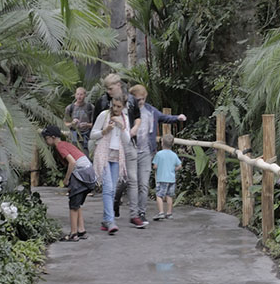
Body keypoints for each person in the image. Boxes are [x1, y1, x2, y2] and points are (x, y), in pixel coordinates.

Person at [127, 84, 186, 224]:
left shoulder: (151, 111)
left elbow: (165, 117)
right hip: (130, 150)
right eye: (138, 99)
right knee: (128, 182)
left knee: (143, 184)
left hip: (146, 152)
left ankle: (139, 212)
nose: (140, 102)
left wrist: (178, 118)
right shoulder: (128, 111)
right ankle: (118, 202)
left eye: (142, 99)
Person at [41, 124, 95, 240]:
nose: (46, 141)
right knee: (77, 203)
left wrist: (66, 179)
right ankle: (81, 230)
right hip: (89, 171)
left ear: (53, 137)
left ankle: (73, 233)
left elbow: (72, 162)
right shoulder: (66, 144)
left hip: (81, 172)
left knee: (73, 205)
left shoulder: (60, 146)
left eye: (46, 138)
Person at [89, 95, 134, 233]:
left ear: (124, 107)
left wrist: (120, 127)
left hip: (117, 156)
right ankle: (110, 221)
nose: (115, 109)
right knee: (108, 188)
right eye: (113, 105)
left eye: (118, 106)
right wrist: (105, 131)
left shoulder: (125, 119)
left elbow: (127, 140)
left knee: (113, 190)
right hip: (103, 154)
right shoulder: (104, 115)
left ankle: (105, 220)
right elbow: (92, 134)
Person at [152, 134, 182, 220]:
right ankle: (169, 213)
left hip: (161, 178)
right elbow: (179, 165)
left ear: (162, 143)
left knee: (159, 195)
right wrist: (174, 169)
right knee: (169, 196)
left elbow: (155, 166)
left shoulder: (159, 154)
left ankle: (161, 212)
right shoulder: (174, 155)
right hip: (171, 179)